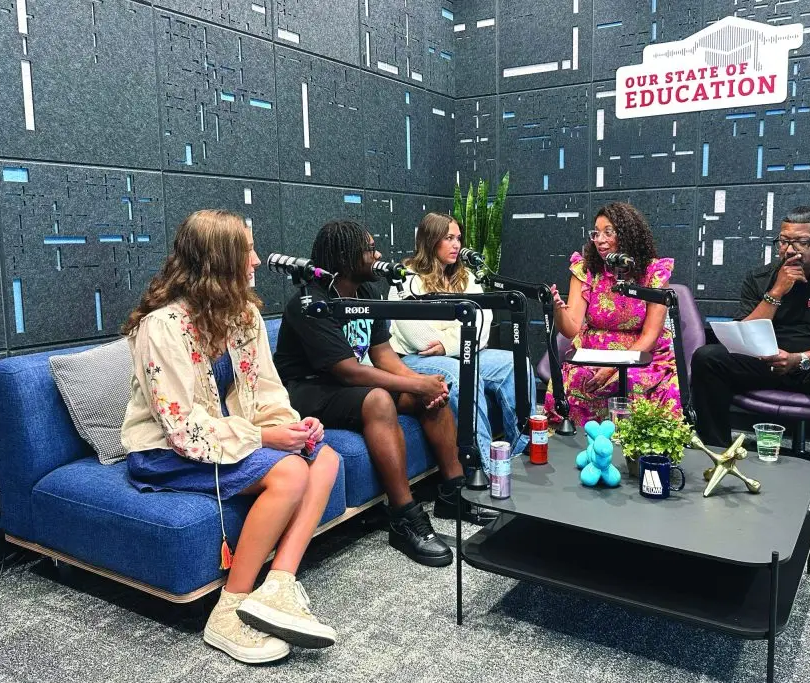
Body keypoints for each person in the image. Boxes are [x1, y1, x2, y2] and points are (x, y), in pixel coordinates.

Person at [120, 209, 338, 664]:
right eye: (248, 251)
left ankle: (276, 588)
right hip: (166, 451)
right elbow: (180, 427)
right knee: (292, 474)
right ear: (218, 261)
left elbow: (267, 390)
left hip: (229, 438)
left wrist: (292, 426)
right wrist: (266, 440)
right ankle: (230, 607)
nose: (257, 261)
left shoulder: (244, 318)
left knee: (329, 457)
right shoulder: (161, 327)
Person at [273, 220, 494, 569]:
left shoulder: (366, 294)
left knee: (428, 394)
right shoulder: (310, 302)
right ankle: (404, 517)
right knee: (378, 398)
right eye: (369, 249)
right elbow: (347, 369)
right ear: (345, 257)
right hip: (307, 389)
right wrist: (413, 384)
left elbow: (383, 354)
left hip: (347, 384)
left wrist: (424, 385)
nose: (377, 255)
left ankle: (454, 491)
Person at [691, 206, 810, 531]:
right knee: (708, 358)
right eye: (784, 241)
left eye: (801, 242)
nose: (791, 250)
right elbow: (743, 332)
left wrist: (801, 358)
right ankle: (718, 454)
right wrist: (776, 293)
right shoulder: (762, 277)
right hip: (767, 360)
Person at [387, 212, 537, 471]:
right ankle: (485, 469)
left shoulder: (466, 277)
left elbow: (482, 323)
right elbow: (421, 339)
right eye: (448, 238)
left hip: (459, 352)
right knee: (461, 372)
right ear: (430, 240)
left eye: (458, 238)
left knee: (516, 363)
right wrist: (456, 337)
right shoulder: (406, 278)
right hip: (415, 360)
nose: (457, 245)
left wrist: (449, 343)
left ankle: (525, 453)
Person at [546, 202, 682, 426]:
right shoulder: (585, 270)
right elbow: (571, 328)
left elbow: (650, 335)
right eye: (596, 233)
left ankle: (635, 451)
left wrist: (613, 367)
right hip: (593, 353)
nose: (599, 240)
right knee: (578, 380)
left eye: (608, 232)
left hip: (639, 354)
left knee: (631, 382)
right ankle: (577, 447)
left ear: (627, 235)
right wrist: (557, 309)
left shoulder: (653, 272)